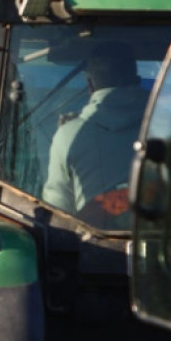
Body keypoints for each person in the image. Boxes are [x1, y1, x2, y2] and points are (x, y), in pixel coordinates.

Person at [41, 42, 149, 226]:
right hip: (168, 248)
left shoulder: (69, 135)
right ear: (138, 82)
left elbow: (57, 214)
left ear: (90, 85)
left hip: (94, 250)